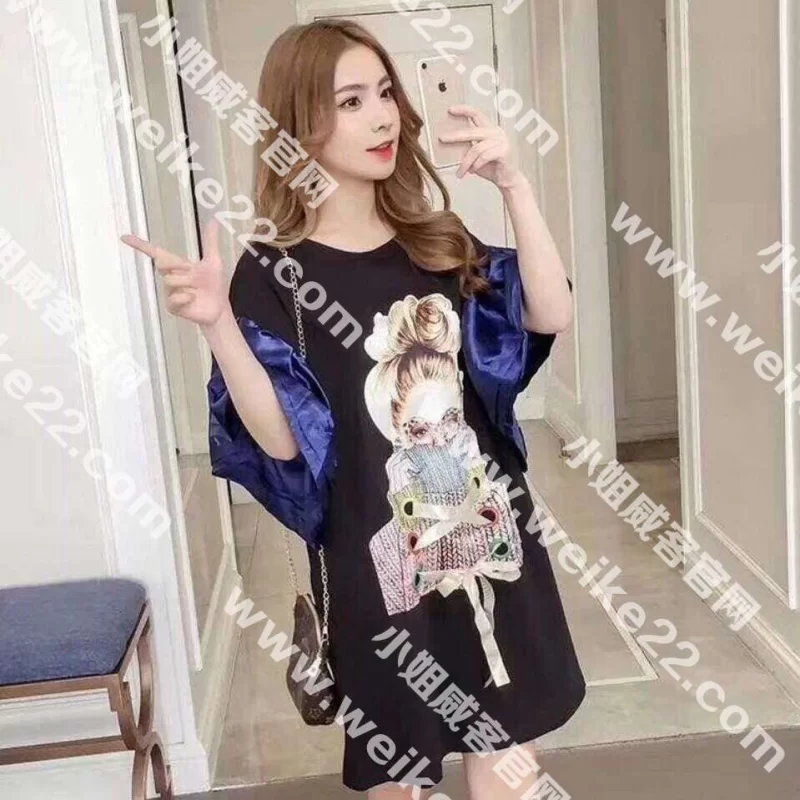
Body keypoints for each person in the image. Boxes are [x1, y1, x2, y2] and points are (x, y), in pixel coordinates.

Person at [121, 18, 585, 800]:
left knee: (505, 747)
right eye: (350, 101)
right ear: (301, 123)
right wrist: (218, 324)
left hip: (484, 533)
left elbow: (550, 313)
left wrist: (515, 185)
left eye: (385, 94)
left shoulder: (435, 240)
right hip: (375, 557)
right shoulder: (272, 272)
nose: (383, 118)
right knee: (399, 768)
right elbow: (281, 441)